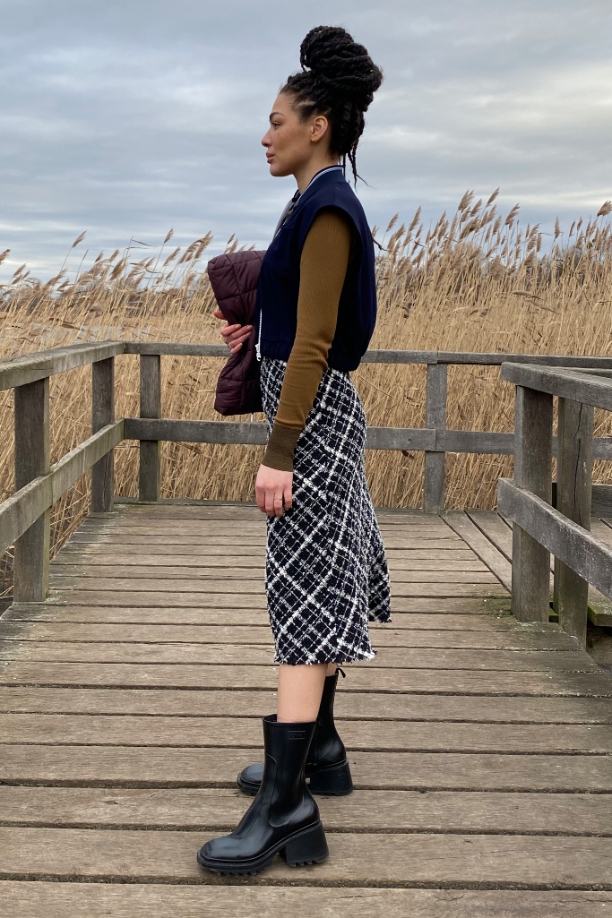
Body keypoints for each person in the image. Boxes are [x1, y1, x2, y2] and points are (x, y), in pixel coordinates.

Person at [197, 24, 391, 877]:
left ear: (318, 124)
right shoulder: (313, 202)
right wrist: (257, 329)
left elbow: (316, 343)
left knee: (304, 592)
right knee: (315, 579)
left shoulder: (329, 209)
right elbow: (298, 323)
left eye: (277, 120)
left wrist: (280, 453)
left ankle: (285, 807)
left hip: (308, 428)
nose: (265, 134)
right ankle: (321, 752)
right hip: (309, 417)